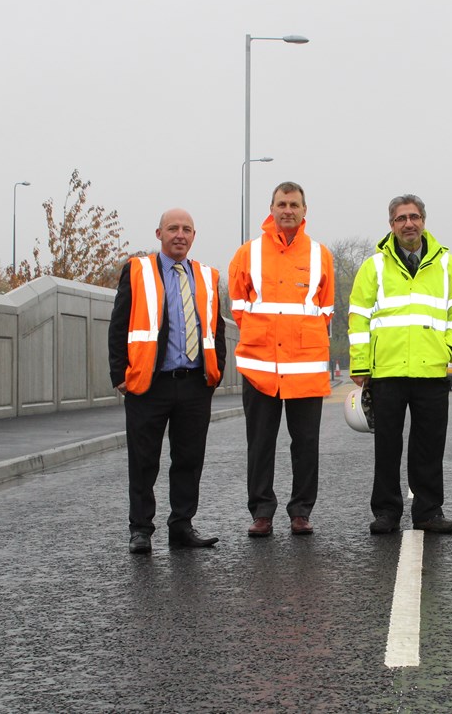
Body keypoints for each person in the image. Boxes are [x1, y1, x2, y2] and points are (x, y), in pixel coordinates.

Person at [348, 194, 452, 535]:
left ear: (423, 221)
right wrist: (360, 365)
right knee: (387, 446)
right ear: (391, 225)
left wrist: (448, 347)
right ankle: (387, 512)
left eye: (414, 216)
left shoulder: (445, 264)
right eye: (401, 218)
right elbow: (358, 316)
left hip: (431, 369)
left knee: (429, 446)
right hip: (387, 370)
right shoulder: (374, 266)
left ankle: (428, 511)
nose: (409, 223)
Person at [109, 208, 226, 554]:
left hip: (194, 383)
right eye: (172, 228)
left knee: (189, 459)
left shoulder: (206, 276)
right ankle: (141, 530)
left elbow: (215, 328)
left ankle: (182, 526)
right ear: (158, 234)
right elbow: (118, 325)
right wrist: (120, 374)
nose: (180, 234)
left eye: (186, 229)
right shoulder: (138, 270)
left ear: (194, 236)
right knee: (144, 460)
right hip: (149, 383)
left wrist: (214, 372)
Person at [229, 181, 335, 537]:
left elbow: (326, 309)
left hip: (304, 367)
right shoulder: (248, 253)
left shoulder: (321, 255)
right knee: (260, 443)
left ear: (305, 211)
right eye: (281, 204)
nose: (287, 210)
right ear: (271, 209)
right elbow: (239, 307)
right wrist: (265, 338)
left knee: (305, 443)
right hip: (260, 367)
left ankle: (301, 511)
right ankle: (262, 512)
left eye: (294, 204)